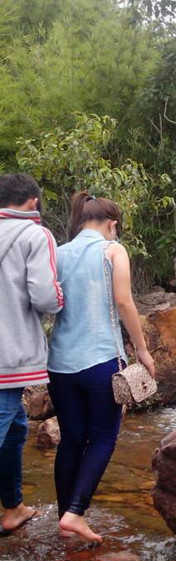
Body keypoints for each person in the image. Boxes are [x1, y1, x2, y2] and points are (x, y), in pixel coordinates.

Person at [47, 191, 155, 543]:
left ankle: (65, 517)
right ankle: (76, 512)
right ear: (113, 225)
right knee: (104, 436)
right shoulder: (113, 250)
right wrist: (142, 350)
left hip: (59, 364)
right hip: (100, 360)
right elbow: (123, 301)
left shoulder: (58, 253)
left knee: (71, 439)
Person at [0, 173, 63, 534]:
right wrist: (62, 299)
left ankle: (13, 508)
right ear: (33, 202)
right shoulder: (35, 234)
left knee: (15, 430)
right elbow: (45, 297)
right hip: (9, 352)